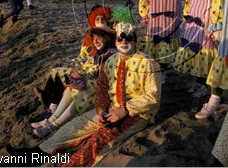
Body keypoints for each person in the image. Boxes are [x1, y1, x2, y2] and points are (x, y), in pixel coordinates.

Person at [18, 22, 162, 167]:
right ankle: (34, 155)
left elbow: (152, 97)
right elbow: (102, 88)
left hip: (137, 114)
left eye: (128, 38)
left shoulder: (148, 63)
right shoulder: (111, 61)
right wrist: (100, 110)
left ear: (135, 41)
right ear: (116, 41)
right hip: (111, 110)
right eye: (120, 39)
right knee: (74, 126)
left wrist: (125, 110)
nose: (124, 42)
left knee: (99, 141)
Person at [30, 25, 117, 138]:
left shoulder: (111, 54)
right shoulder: (100, 53)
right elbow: (94, 71)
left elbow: (106, 76)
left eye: (99, 38)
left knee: (81, 94)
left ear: (106, 38)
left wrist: (85, 78)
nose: (95, 41)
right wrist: (82, 77)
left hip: (105, 89)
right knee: (71, 88)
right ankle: (51, 119)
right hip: (96, 83)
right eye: (94, 38)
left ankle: (52, 126)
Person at [33, 6, 112, 109]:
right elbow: (81, 56)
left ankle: (51, 103)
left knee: (63, 73)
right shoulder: (89, 37)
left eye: (103, 19)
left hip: (92, 69)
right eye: (97, 19)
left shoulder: (110, 36)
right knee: (56, 71)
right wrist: (73, 62)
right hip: (83, 65)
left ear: (107, 20)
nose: (100, 21)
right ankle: (47, 96)